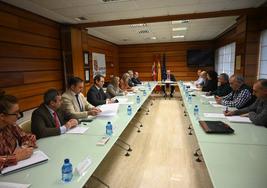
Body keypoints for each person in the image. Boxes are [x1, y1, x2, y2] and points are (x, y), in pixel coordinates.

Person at [0, 93, 37, 171]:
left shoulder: (11, 125)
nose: (19, 116)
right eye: (15, 113)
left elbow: (26, 137)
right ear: (2, 116)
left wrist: (25, 146)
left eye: (19, 112)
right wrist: (16, 157)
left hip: (13, 169)